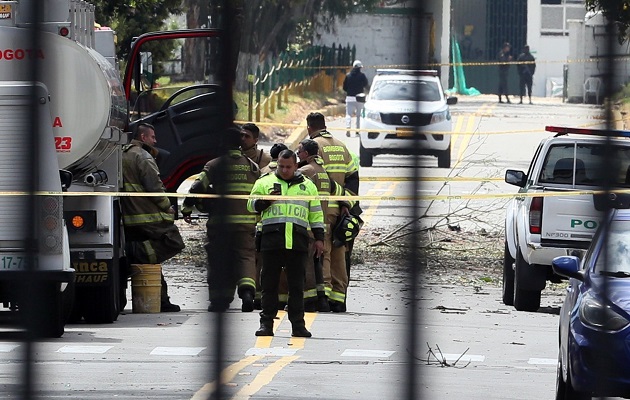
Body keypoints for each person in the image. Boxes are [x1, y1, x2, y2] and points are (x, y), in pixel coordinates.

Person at [181, 127, 260, 312]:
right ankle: (247, 292)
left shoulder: (214, 165)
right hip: (246, 222)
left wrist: (186, 208)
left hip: (221, 224)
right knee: (245, 256)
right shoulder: (252, 166)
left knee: (218, 260)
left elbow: (197, 187)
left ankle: (219, 300)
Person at [248, 150, 325, 337]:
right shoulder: (264, 182)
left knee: (297, 287)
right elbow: (250, 205)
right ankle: (266, 324)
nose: (284, 170)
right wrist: (265, 201)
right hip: (271, 241)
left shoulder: (308, 187)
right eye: (281, 166)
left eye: (288, 167)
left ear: (296, 166)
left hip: (297, 242)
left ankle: (298, 325)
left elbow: (316, 214)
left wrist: (319, 239)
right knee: (269, 286)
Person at [121, 123, 184, 312]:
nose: (155, 141)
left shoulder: (122, 154)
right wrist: (168, 207)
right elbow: (154, 187)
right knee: (173, 241)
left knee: (152, 260)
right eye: (152, 137)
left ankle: (161, 300)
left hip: (128, 218)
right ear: (143, 137)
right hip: (145, 218)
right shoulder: (142, 156)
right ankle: (135, 254)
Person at [306, 112, 359, 312]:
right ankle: (339, 297)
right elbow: (353, 177)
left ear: (309, 127)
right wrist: (347, 202)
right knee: (339, 253)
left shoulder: (313, 147)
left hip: (322, 208)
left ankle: (325, 296)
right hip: (341, 210)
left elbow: (313, 176)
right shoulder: (341, 146)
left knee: (324, 251)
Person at [297, 138, 351, 312]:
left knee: (320, 257)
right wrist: (346, 204)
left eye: (299, 151)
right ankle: (336, 298)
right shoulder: (324, 172)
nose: (298, 154)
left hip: (313, 221)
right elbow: (339, 190)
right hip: (330, 217)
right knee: (333, 256)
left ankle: (322, 298)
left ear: (306, 153)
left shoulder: (306, 171)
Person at [342, 60, 369, 137]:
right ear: (360, 68)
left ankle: (348, 128)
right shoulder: (362, 76)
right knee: (358, 115)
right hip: (360, 98)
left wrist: (349, 91)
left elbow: (344, 87)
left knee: (348, 115)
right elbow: (366, 84)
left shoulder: (348, 76)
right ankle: (357, 131)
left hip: (350, 97)